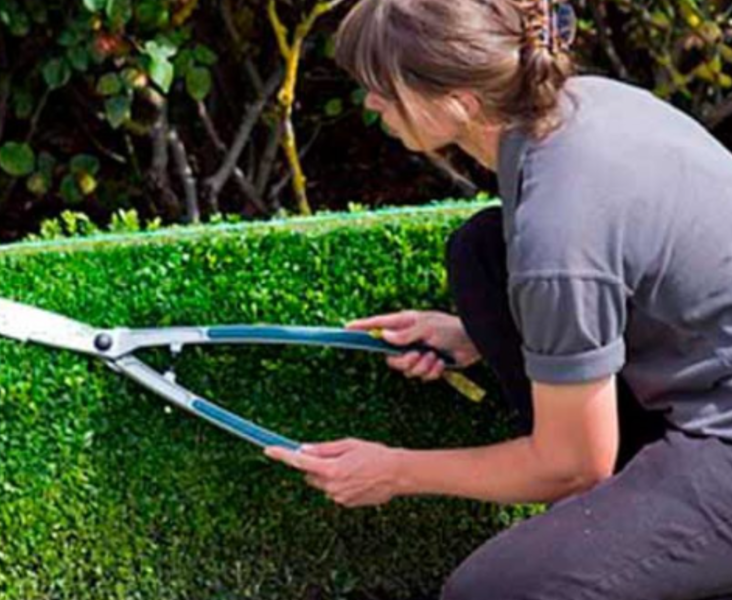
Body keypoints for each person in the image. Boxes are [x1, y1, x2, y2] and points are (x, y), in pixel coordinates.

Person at [265, 0, 732, 597]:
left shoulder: (558, 224)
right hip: (705, 375)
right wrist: (479, 335)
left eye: (382, 88)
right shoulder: (581, 106)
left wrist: (395, 471)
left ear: (459, 101)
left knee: (492, 591)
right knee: (481, 253)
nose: (372, 103)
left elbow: (573, 465)